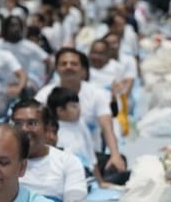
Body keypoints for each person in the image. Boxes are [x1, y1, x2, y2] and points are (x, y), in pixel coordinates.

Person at [34, 48, 125, 178]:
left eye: (73, 64)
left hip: (89, 155)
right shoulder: (44, 95)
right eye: (63, 64)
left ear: (83, 70)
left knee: (118, 165)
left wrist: (115, 155)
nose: (68, 67)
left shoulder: (97, 94)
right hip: (55, 155)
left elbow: (107, 127)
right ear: (57, 69)